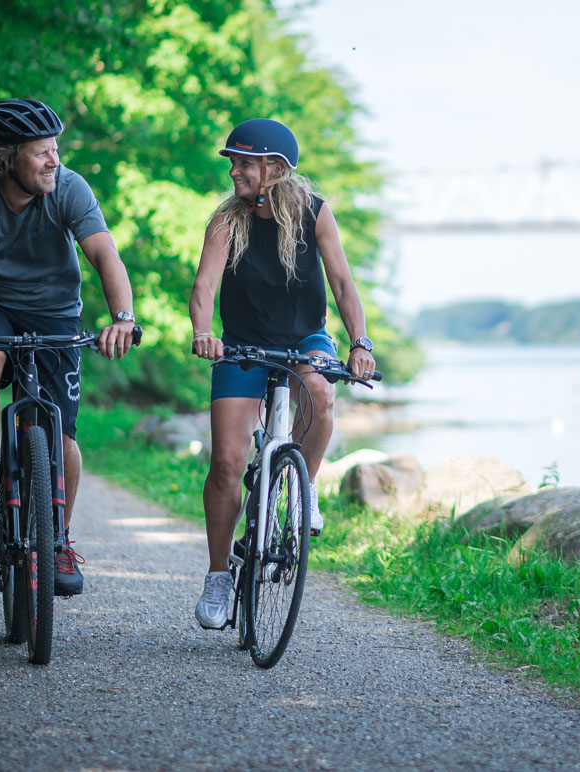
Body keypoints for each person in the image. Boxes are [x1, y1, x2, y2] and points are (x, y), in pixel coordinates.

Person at [0, 98, 137, 598]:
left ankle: (57, 538)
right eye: (41, 152)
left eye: (55, 150)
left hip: (55, 311)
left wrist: (122, 318)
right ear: (6, 157)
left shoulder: (69, 188)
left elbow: (106, 257)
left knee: (61, 437)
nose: (54, 161)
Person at [188, 118, 376, 629]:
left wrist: (360, 342)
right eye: (232, 162)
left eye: (244, 163)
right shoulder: (225, 220)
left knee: (320, 389)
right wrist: (205, 331)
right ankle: (218, 576)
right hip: (242, 345)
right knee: (227, 460)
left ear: (274, 169)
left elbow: (341, 280)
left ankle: (302, 488)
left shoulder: (314, 212)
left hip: (303, 339)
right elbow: (204, 285)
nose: (234, 171)